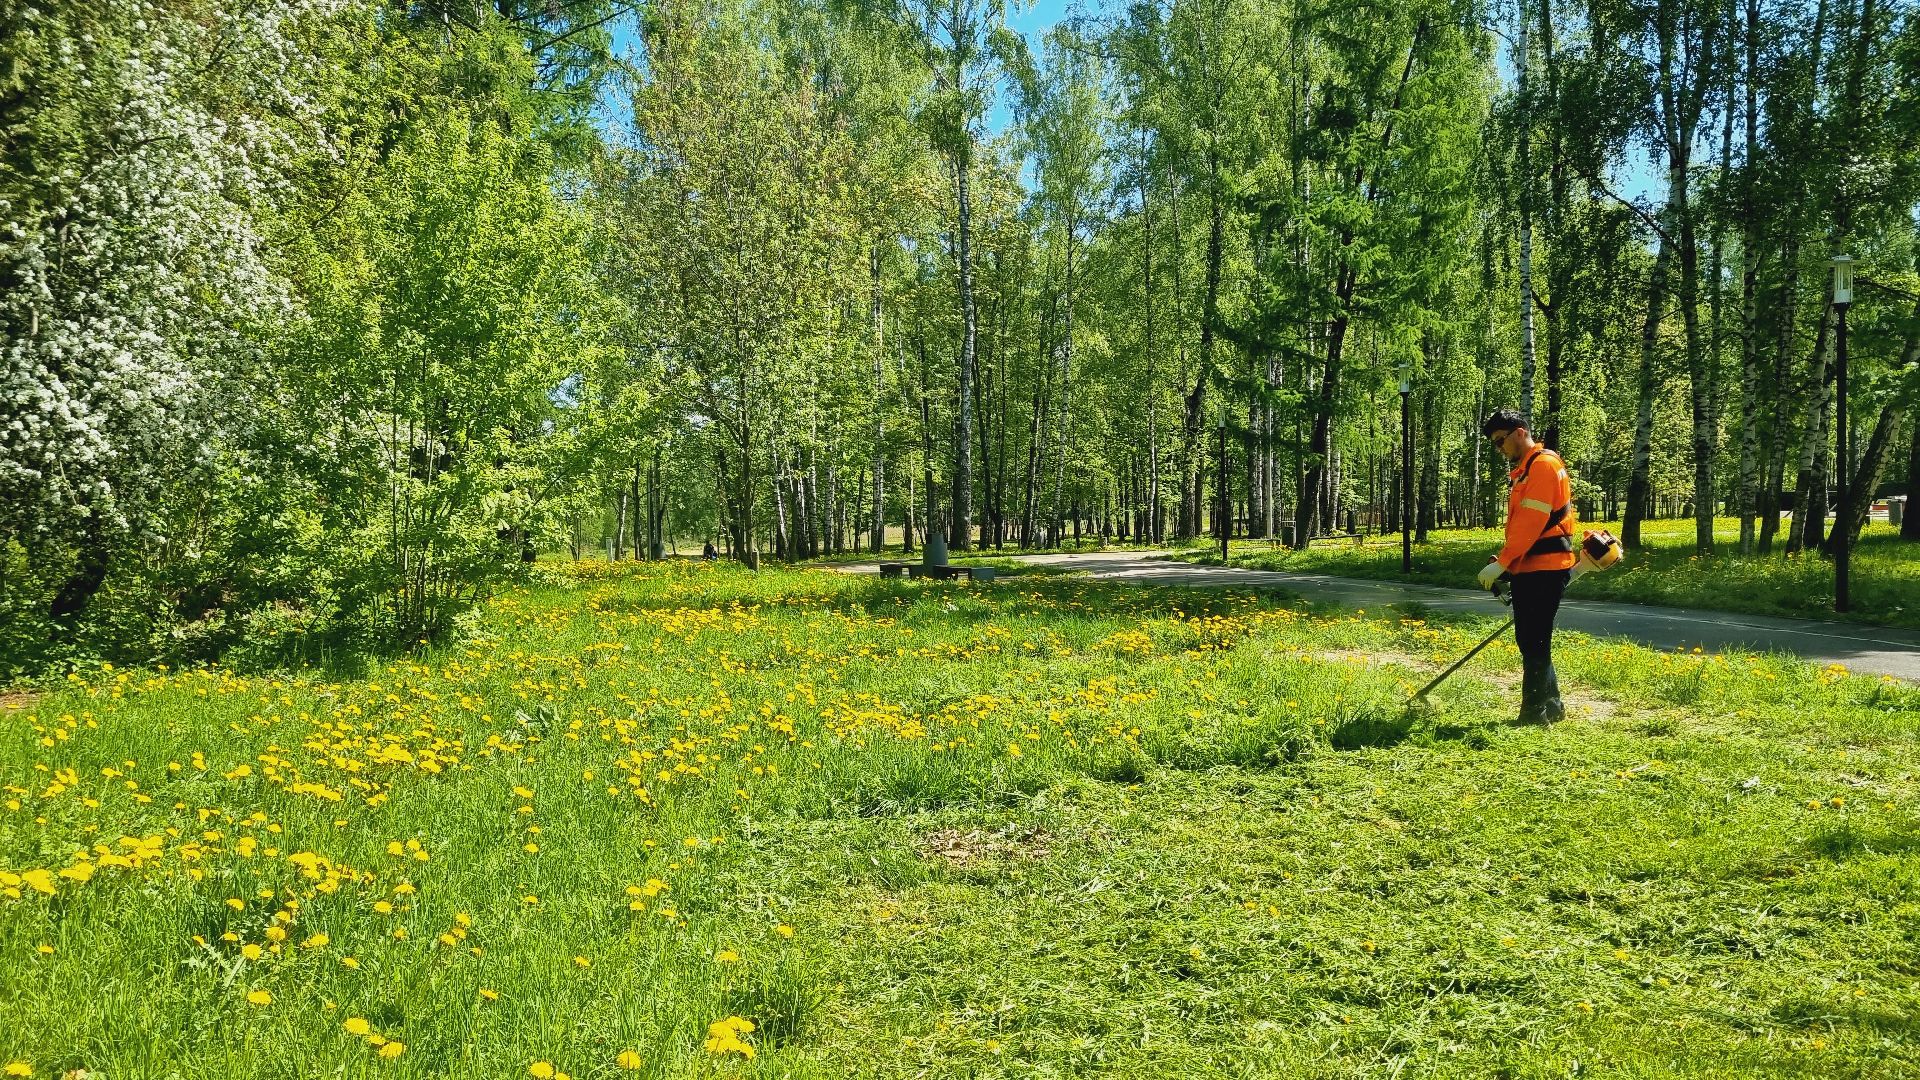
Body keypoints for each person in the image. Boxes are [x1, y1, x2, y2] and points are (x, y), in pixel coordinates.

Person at [1478, 409, 1577, 724]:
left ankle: (1534, 714)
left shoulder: (1543, 466)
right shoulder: (1528, 469)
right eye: (1495, 444)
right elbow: (1526, 526)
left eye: (1500, 441)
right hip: (1533, 566)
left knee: (1534, 641)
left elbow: (1532, 523)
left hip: (1545, 569)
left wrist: (1505, 561)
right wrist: (1506, 562)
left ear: (1519, 432)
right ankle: (1552, 706)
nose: (1499, 449)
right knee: (1532, 639)